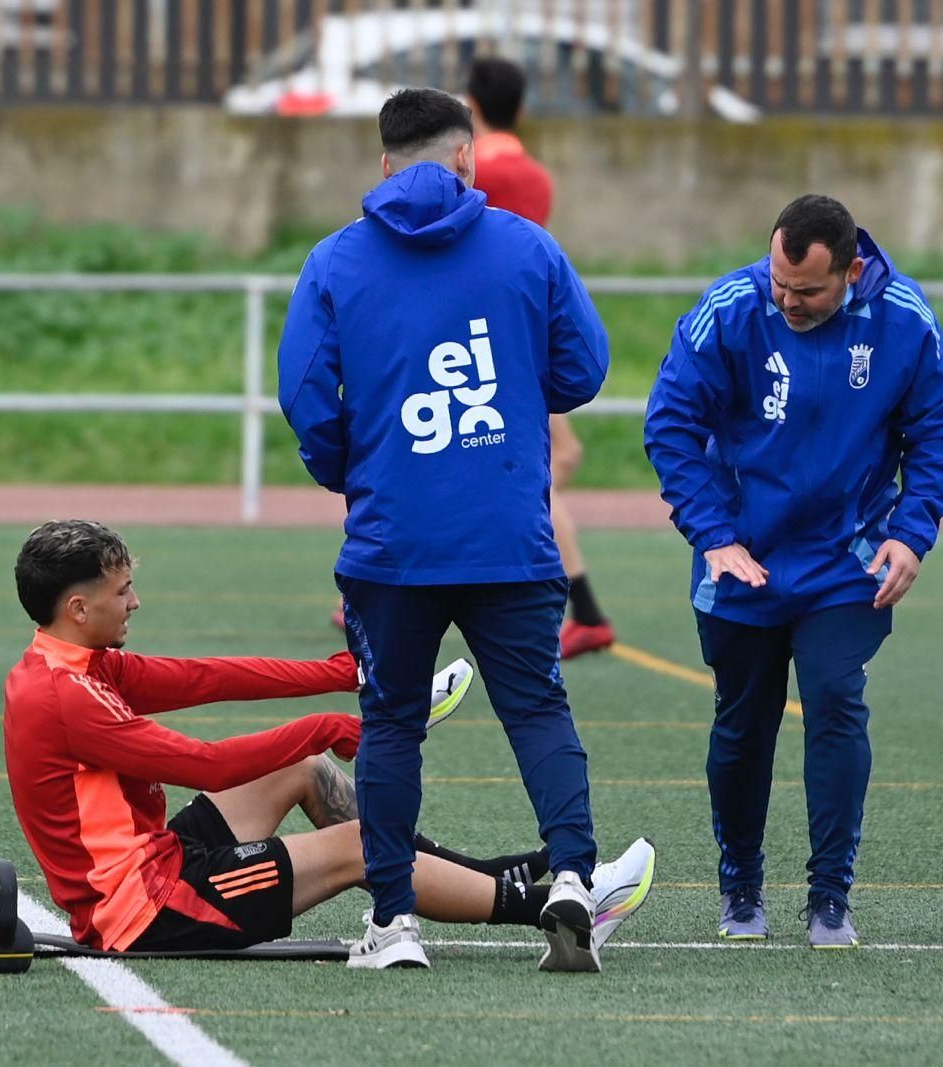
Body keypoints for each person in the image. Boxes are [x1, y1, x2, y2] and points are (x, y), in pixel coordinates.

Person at [278, 89, 628, 971]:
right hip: (508, 533)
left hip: (393, 541)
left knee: (391, 723)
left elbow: (306, 398)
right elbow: (584, 367)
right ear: (468, 158)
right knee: (538, 708)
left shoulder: (335, 261)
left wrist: (353, 473)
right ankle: (574, 881)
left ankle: (394, 924)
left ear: (385, 164)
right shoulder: (526, 246)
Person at [3, 520, 654, 970]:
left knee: (304, 768)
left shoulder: (76, 662)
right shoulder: (65, 696)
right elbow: (202, 762)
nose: (136, 602)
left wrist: (350, 672)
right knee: (362, 846)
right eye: (123, 592)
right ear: (79, 608)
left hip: (160, 862)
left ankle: (480, 876)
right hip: (148, 910)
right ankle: (559, 908)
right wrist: (330, 725)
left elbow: (211, 677)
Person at [644, 195, 943, 949]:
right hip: (741, 558)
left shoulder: (905, 320)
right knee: (743, 720)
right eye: (779, 281)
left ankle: (830, 894)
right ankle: (741, 883)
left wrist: (912, 535)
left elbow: (939, 432)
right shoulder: (729, 308)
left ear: (851, 270)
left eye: (808, 291)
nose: (786, 299)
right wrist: (715, 536)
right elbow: (669, 423)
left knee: (834, 699)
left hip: (845, 562)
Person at [469, 56, 616, 658]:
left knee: (525, 472)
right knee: (550, 458)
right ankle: (582, 607)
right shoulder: (536, 176)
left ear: (470, 105)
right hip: (533, 335)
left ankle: (571, 600)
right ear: (523, 109)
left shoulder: (470, 172)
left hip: (487, 341)